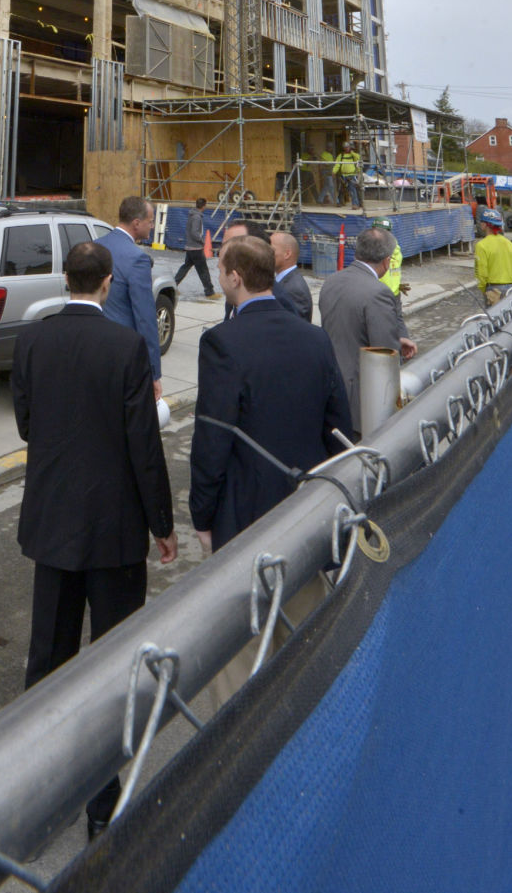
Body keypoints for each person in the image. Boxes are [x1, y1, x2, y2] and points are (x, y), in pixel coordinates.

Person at [13, 240, 176, 839]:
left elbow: (27, 423)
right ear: (107, 283)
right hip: (113, 529)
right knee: (112, 666)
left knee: (48, 661)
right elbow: (143, 445)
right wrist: (161, 523)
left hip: (53, 522)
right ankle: (102, 805)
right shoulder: (127, 346)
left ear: (66, 279)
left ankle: (38, 789)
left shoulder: (33, 341)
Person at [190, 236, 351, 708]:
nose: (219, 277)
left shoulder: (222, 342)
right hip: (305, 515)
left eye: (221, 270)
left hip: (245, 519)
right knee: (307, 654)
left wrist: (202, 515)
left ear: (235, 278)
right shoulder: (314, 336)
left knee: (240, 657)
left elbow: (212, 438)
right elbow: (340, 427)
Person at [317, 226, 416, 433]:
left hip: (329, 389)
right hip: (361, 401)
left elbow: (348, 329)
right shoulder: (378, 292)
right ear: (387, 261)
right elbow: (384, 353)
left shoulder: (332, 282)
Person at [99, 198, 162, 396]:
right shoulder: (137, 259)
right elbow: (145, 318)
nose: (152, 226)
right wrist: (154, 373)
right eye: (150, 221)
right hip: (124, 353)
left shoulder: (96, 245)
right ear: (136, 223)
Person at [217, 216, 270, 320]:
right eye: (223, 246)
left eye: (231, 247)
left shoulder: (278, 304)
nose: (222, 253)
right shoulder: (234, 293)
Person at [474, 208, 512, 304]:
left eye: (481, 221)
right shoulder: (508, 243)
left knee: (494, 317)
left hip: (494, 289)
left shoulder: (482, 245)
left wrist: (483, 288)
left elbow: (481, 272)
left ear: (485, 224)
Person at [175, 197, 218, 298]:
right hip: (196, 248)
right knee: (203, 270)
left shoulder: (192, 215)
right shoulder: (197, 217)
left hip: (190, 247)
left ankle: (172, 285)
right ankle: (210, 292)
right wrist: (202, 241)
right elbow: (195, 232)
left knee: (185, 267)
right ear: (204, 206)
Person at [268, 230, 312, 320]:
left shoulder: (294, 289)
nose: (266, 254)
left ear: (287, 254)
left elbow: (295, 328)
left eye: (271, 250)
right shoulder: (282, 281)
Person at [372, 216, 410, 298]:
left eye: (382, 232)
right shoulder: (370, 251)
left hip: (393, 295)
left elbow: (392, 273)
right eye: (376, 231)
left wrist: (396, 286)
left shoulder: (396, 251)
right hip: (380, 296)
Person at [333, 143, 362, 208]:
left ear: (350, 147)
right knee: (341, 190)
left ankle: (355, 204)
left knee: (353, 190)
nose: (346, 149)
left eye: (347, 147)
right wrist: (334, 171)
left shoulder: (353, 155)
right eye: (345, 147)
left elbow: (358, 158)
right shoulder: (341, 155)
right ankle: (340, 202)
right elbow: (337, 164)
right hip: (343, 175)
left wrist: (352, 153)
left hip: (351, 175)